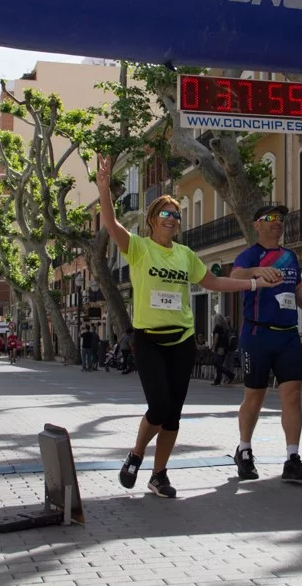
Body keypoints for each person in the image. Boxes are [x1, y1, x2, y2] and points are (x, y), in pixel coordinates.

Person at [96, 155, 280, 499]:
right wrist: (105, 190)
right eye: (166, 213)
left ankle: (159, 474)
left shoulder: (184, 255)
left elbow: (215, 283)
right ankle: (137, 453)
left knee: (173, 415)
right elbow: (110, 222)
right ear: (152, 220)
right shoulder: (138, 248)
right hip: (149, 339)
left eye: (176, 215)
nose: (172, 219)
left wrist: (254, 282)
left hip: (181, 340)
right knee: (159, 406)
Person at [229, 204, 302, 483]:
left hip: (288, 334)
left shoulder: (290, 256)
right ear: (257, 224)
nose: (276, 222)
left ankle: (292, 457)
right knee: (254, 396)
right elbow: (233, 277)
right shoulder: (249, 255)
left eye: (280, 218)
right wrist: (256, 271)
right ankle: (244, 450)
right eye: (269, 218)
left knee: (292, 395)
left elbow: (297, 286)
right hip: (257, 334)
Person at [210, 316, 235, 386]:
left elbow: (216, 337)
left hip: (219, 348)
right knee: (219, 364)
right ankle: (217, 381)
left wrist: (213, 346)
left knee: (217, 364)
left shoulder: (217, 327)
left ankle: (230, 375)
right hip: (225, 348)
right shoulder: (225, 328)